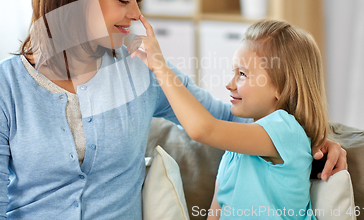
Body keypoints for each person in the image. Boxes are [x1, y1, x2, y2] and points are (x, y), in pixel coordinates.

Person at [0, 0, 347, 220]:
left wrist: (315, 138)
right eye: (125, 0)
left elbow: (231, 120)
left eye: (138, 0)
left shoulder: (142, 74)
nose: (136, 16)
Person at [131, 17, 332, 219]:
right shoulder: (235, 150)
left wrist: (160, 68)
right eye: (233, 72)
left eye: (242, 74)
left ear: (281, 87)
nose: (229, 84)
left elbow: (203, 129)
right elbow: (216, 212)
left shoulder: (285, 130)